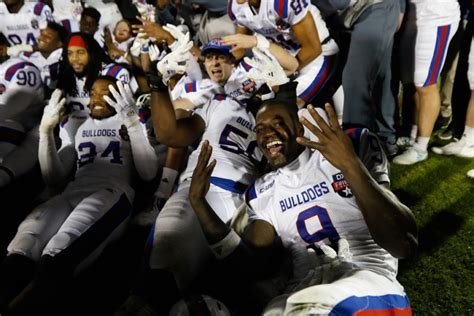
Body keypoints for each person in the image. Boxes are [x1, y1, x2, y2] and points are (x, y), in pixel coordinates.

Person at [187, 60, 418, 314]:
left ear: (299, 127)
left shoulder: (350, 145)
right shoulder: (263, 191)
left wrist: (351, 166)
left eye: (277, 123)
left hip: (367, 280)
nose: (267, 133)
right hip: (304, 286)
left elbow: (403, 243)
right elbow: (249, 266)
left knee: (307, 306)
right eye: (260, 128)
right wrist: (199, 205)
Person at [114, 39, 266, 315]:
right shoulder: (219, 103)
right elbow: (170, 134)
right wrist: (157, 82)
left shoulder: (280, 116)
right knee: (161, 267)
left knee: (240, 289)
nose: (254, 85)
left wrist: (286, 95)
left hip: (246, 204)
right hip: (200, 187)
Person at [0, 77, 158, 315]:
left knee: (60, 251)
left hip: (112, 192)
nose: (96, 98)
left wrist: (134, 125)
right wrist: (45, 132)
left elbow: (148, 173)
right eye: (93, 93)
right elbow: (53, 177)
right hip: (72, 191)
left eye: (105, 93)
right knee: (23, 244)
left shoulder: (131, 119)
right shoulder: (78, 124)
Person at [226, 0, 340, 107]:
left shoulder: (283, 3)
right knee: (238, 94)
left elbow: (313, 48)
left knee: (285, 105)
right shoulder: (235, 6)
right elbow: (239, 47)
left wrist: (278, 74)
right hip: (280, 59)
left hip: (316, 56)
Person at [393, 0, 460, 164]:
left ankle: (420, 148)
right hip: (416, 14)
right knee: (416, 83)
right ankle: (415, 135)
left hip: (436, 16)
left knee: (426, 84)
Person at [18, 22, 68, 93]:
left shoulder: (65, 59)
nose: (41, 38)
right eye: (42, 34)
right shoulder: (26, 57)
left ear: (59, 44)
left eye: (48, 37)